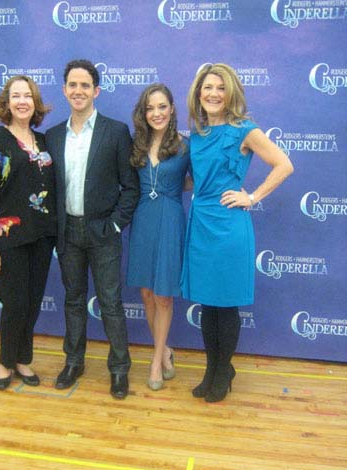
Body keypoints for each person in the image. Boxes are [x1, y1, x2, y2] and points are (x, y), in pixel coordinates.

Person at [181, 63, 293, 402]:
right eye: (207, 87)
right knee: (208, 303)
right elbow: (193, 180)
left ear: (230, 93)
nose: (213, 93)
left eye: (220, 88)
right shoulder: (197, 134)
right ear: (198, 94)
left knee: (225, 304)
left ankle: (222, 370)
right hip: (200, 223)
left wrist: (252, 196)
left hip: (229, 226)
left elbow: (284, 164)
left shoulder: (244, 129)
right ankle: (215, 369)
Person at [45, 59, 139, 399]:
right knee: (72, 299)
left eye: (85, 85)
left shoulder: (115, 132)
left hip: (103, 233)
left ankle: (119, 369)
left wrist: (114, 225)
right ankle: (74, 362)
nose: (78, 91)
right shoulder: (53, 136)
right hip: (68, 233)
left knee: (111, 302)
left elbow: (131, 187)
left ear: (96, 91)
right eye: (72, 84)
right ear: (64, 90)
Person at [0, 75, 57, 390]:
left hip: (42, 236)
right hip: (9, 239)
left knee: (33, 302)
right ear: (7, 103)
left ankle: (23, 359)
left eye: (28, 95)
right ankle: (6, 363)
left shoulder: (45, 142)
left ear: (35, 103)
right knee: (14, 303)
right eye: (16, 95)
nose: (22, 101)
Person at [127, 84, 190, 391]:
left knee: (164, 294)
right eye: (151, 108)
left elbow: (199, 180)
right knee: (147, 295)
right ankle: (164, 350)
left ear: (172, 109)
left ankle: (156, 361)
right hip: (142, 219)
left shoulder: (185, 145)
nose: (157, 113)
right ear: (144, 112)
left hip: (170, 220)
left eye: (162, 106)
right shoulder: (136, 144)